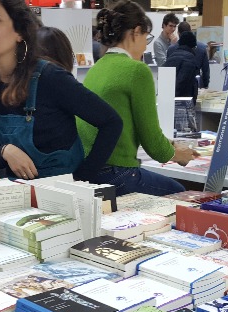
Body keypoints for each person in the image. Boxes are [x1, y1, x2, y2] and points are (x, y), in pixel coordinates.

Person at [0, 0, 122, 180]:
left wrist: (83, 177)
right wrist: (5, 151)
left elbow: (111, 122)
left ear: (19, 32)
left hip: (65, 190)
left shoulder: (50, 78)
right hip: (18, 190)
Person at [77, 0, 198, 196]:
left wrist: (171, 145)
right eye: (146, 38)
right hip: (116, 172)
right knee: (181, 193)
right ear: (136, 31)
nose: (144, 47)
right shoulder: (137, 71)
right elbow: (154, 145)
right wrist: (179, 155)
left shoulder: (96, 68)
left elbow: (134, 129)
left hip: (89, 169)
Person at [166, 21, 210, 90]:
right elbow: (205, 70)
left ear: (178, 33)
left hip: (176, 86)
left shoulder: (171, 49)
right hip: (196, 84)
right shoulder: (202, 48)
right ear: (190, 31)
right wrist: (205, 85)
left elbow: (168, 70)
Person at [164, 31, 205, 103]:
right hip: (182, 101)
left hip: (166, 98)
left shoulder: (171, 57)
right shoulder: (189, 59)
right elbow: (183, 81)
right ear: (193, 46)